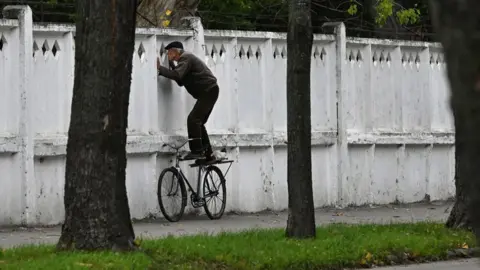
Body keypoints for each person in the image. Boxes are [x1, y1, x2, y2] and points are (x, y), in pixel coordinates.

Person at [156, 41, 219, 162]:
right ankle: (208, 154)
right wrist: (172, 67)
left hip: (209, 91)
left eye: (169, 52)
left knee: (193, 119)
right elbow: (181, 81)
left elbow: (178, 76)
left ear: (175, 52)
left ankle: (197, 151)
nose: (168, 54)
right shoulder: (183, 60)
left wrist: (160, 69)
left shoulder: (186, 57)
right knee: (199, 122)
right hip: (209, 91)